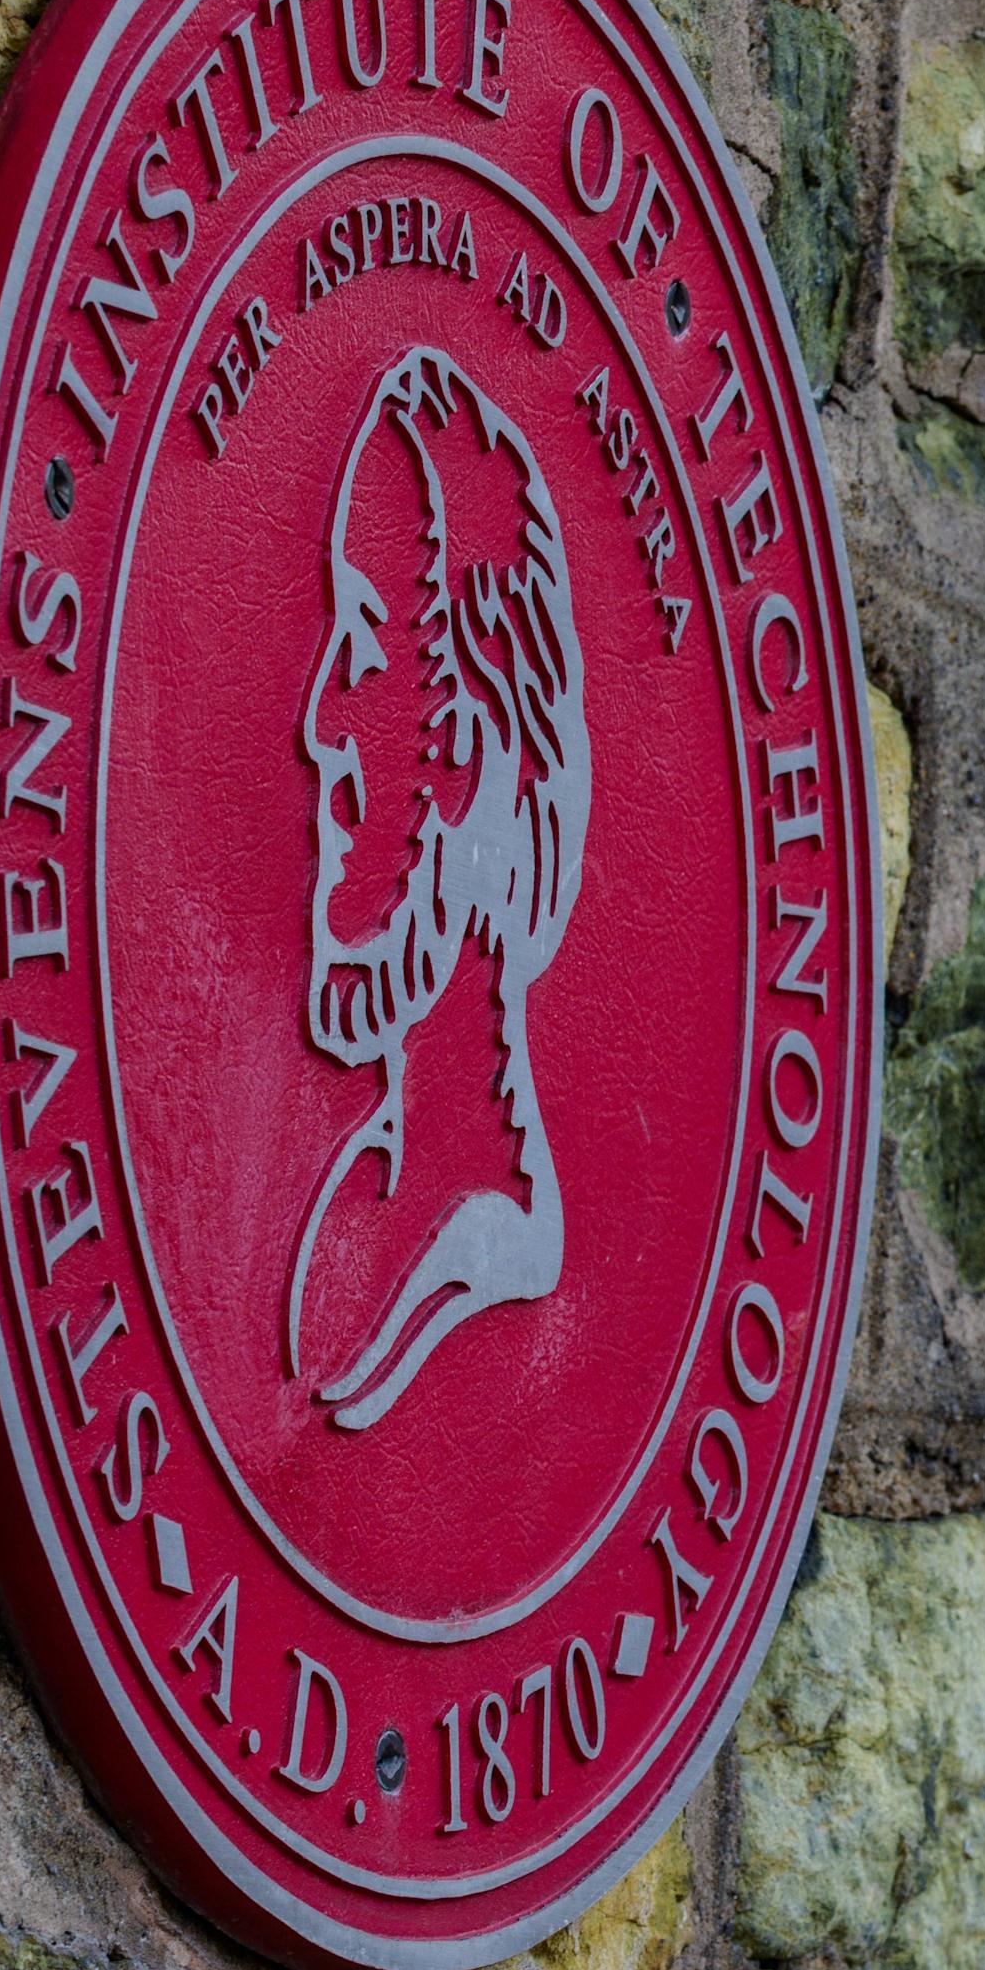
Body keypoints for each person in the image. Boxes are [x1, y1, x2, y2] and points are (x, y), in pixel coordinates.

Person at [290, 344, 592, 1430]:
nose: (322, 725)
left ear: (472, 762)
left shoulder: (484, 1247)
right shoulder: (350, 1206)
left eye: (364, 649)